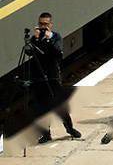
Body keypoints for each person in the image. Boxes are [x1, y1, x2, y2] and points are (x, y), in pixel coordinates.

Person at [26, 12, 81, 143]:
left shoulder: (56, 37)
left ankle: (69, 128)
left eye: (45, 24)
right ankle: (46, 134)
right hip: (38, 77)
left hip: (52, 76)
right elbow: (29, 52)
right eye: (41, 24)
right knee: (41, 108)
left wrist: (48, 39)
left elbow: (58, 53)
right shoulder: (35, 39)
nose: (43, 27)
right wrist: (34, 40)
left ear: (51, 24)